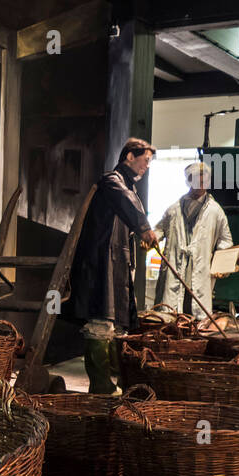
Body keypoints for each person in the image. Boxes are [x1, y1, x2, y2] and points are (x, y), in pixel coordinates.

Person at [69, 137, 159, 394]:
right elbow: (126, 205)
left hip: (116, 264)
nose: (147, 166)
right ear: (130, 156)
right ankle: (100, 385)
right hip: (100, 264)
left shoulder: (129, 187)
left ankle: (116, 381)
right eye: (145, 160)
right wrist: (144, 229)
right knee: (100, 322)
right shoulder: (112, 181)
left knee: (115, 325)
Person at [153, 161, 234, 318]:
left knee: (197, 314)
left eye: (204, 180)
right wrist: (151, 239)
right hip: (175, 269)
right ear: (188, 181)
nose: (200, 184)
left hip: (199, 272)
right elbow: (159, 229)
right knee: (171, 315)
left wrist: (222, 265)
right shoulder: (174, 209)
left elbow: (225, 241)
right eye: (197, 179)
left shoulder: (215, 211)